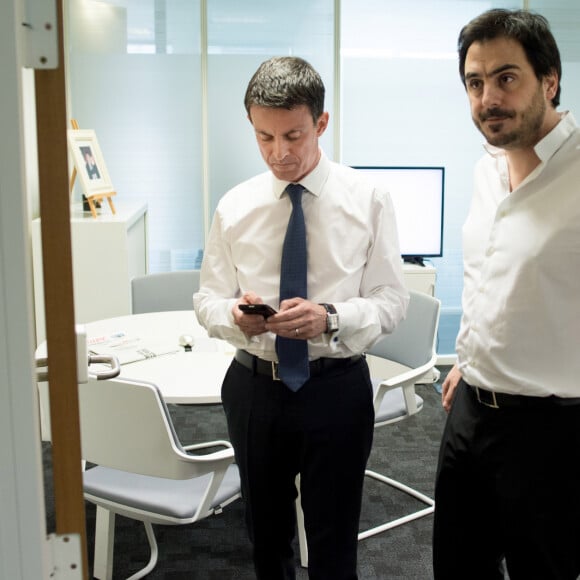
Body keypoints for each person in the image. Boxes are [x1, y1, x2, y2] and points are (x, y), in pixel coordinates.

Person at [194, 56, 408, 580]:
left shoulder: (368, 199)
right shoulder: (234, 206)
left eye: (293, 135)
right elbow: (206, 300)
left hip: (336, 389)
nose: (279, 153)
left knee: (334, 539)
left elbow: (391, 300)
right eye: (264, 137)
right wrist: (234, 316)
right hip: (255, 389)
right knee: (265, 538)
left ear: (321, 123)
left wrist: (331, 317)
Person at [433, 9, 580, 580]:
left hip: (553, 432)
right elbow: (489, 278)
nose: (488, 97)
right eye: (475, 82)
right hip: (469, 414)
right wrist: (470, 357)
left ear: (550, 80)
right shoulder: (485, 171)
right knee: (457, 568)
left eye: (506, 78)